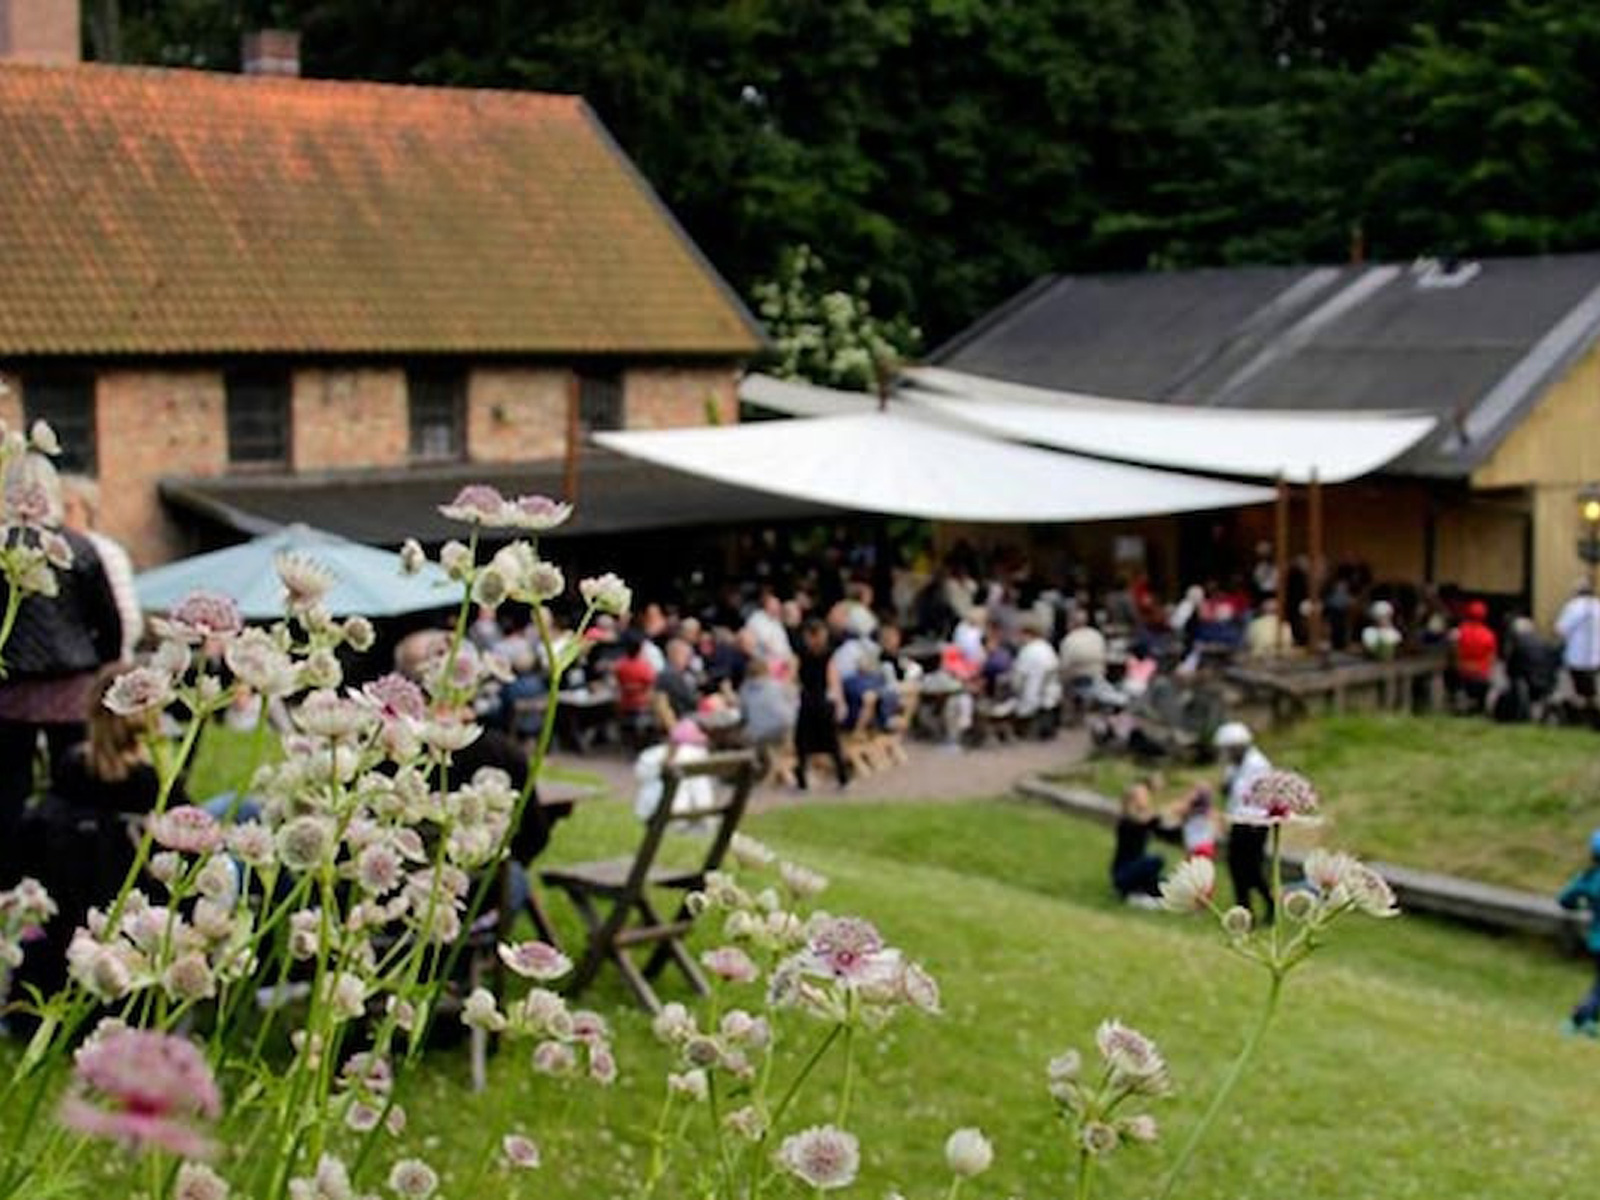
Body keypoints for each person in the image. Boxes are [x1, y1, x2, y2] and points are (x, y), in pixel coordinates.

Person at [8, 664, 183, 997]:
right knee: (240, 807)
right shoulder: (153, 781)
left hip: (71, 902)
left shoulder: (71, 767)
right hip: (137, 897)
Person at [0, 453, 123, 864]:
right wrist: (106, 669)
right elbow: (108, 620)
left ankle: (11, 871)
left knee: (8, 791)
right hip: (73, 686)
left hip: (11, 689)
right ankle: (75, 863)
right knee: (76, 784)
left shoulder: (4, 549)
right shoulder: (78, 548)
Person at [60, 475, 141, 661]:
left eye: (68, 508)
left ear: (87, 510)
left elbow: (127, 619)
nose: (62, 517)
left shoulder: (106, 552)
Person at [1204, 721, 1274, 921]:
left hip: (1255, 824)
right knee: (1236, 867)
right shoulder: (1235, 766)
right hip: (1238, 822)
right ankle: (1244, 910)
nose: (1226, 755)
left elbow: (1255, 797)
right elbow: (1229, 792)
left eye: (1229, 750)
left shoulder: (1257, 764)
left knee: (1252, 868)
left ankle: (1270, 905)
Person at [793, 618, 849, 790]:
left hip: (808, 701)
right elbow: (834, 681)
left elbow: (794, 678)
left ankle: (802, 777)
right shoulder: (827, 655)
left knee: (803, 742)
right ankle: (841, 776)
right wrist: (839, 702)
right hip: (823, 701)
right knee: (832, 741)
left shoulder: (801, 655)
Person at [1110, 779, 1179, 908]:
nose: (1147, 798)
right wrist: (1166, 811)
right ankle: (1132, 893)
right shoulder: (1126, 822)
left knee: (1169, 884)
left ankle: (1141, 892)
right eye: (1143, 796)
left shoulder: (1142, 820)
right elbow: (1146, 823)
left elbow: (1163, 829)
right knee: (1157, 860)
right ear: (1133, 800)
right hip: (1123, 873)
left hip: (1139, 870)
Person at [1558, 829, 1600, 1036]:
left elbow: (1565, 899)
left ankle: (1589, 1021)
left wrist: (1583, 905)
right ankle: (1579, 1018)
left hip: (1596, 940)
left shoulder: (1588, 877)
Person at [633, 718, 716, 822]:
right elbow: (702, 800)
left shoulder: (648, 755)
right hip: (682, 817)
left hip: (648, 813)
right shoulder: (697, 756)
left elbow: (640, 777)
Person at [1556, 578, 1600, 723]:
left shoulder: (1573, 607)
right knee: (1590, 686)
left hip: (1577, 656)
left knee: (1579, 688)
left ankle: (1582, 716)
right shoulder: (1598, 606)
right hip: (1596, 657)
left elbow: (1560, 630)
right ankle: (1592, 711)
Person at [1010, 615, 1062, 736]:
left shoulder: (1027, 651)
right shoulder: (1048, 648)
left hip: (1032, 695)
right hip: (1049, 693)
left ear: (1026, 634)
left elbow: (1018, 680)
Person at [1448, 600, 1497, 714]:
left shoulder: (1458, 632)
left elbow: (1453, 652)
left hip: (1462, 673)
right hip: (1481, 675)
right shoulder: (1489, 635)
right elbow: (1492, 658)